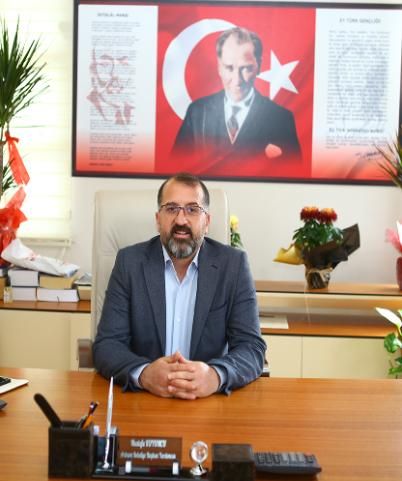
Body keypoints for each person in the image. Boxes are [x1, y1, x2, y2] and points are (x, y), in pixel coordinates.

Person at [93, 173, 266, 399]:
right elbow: (107, 345)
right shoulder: (130, 263)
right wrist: (144, 374)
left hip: (207, 403)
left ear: (207, 222)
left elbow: (251, 348)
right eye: (172, 209)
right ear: (158, 219)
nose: (181, 220)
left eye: (192, 209)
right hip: (145, 399)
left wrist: (215, 376)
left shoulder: (233, 266)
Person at [171, 27, 302, 176]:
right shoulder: (197, 113)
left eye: (245, 68)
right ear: (219, 67)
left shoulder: (282, 119)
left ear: (259, 66)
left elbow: (293, 173)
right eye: (229, 68)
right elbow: (177, 169)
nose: (237, 80)